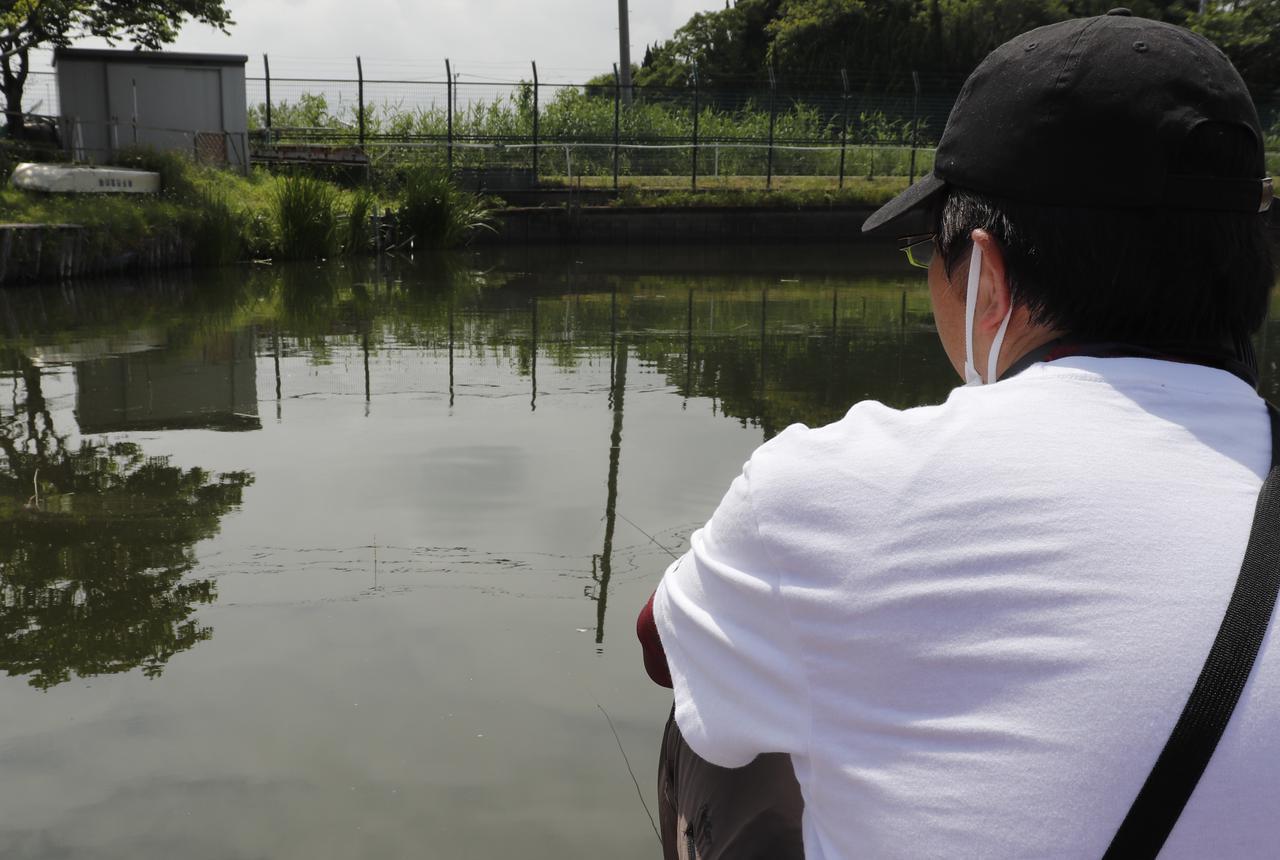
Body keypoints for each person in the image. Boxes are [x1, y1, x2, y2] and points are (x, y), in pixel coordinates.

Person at [637, 9, 1276, 859]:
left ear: (986, 270)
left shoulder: (837, 485)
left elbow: (662, 644)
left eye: (926, 254)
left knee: (720, 722)